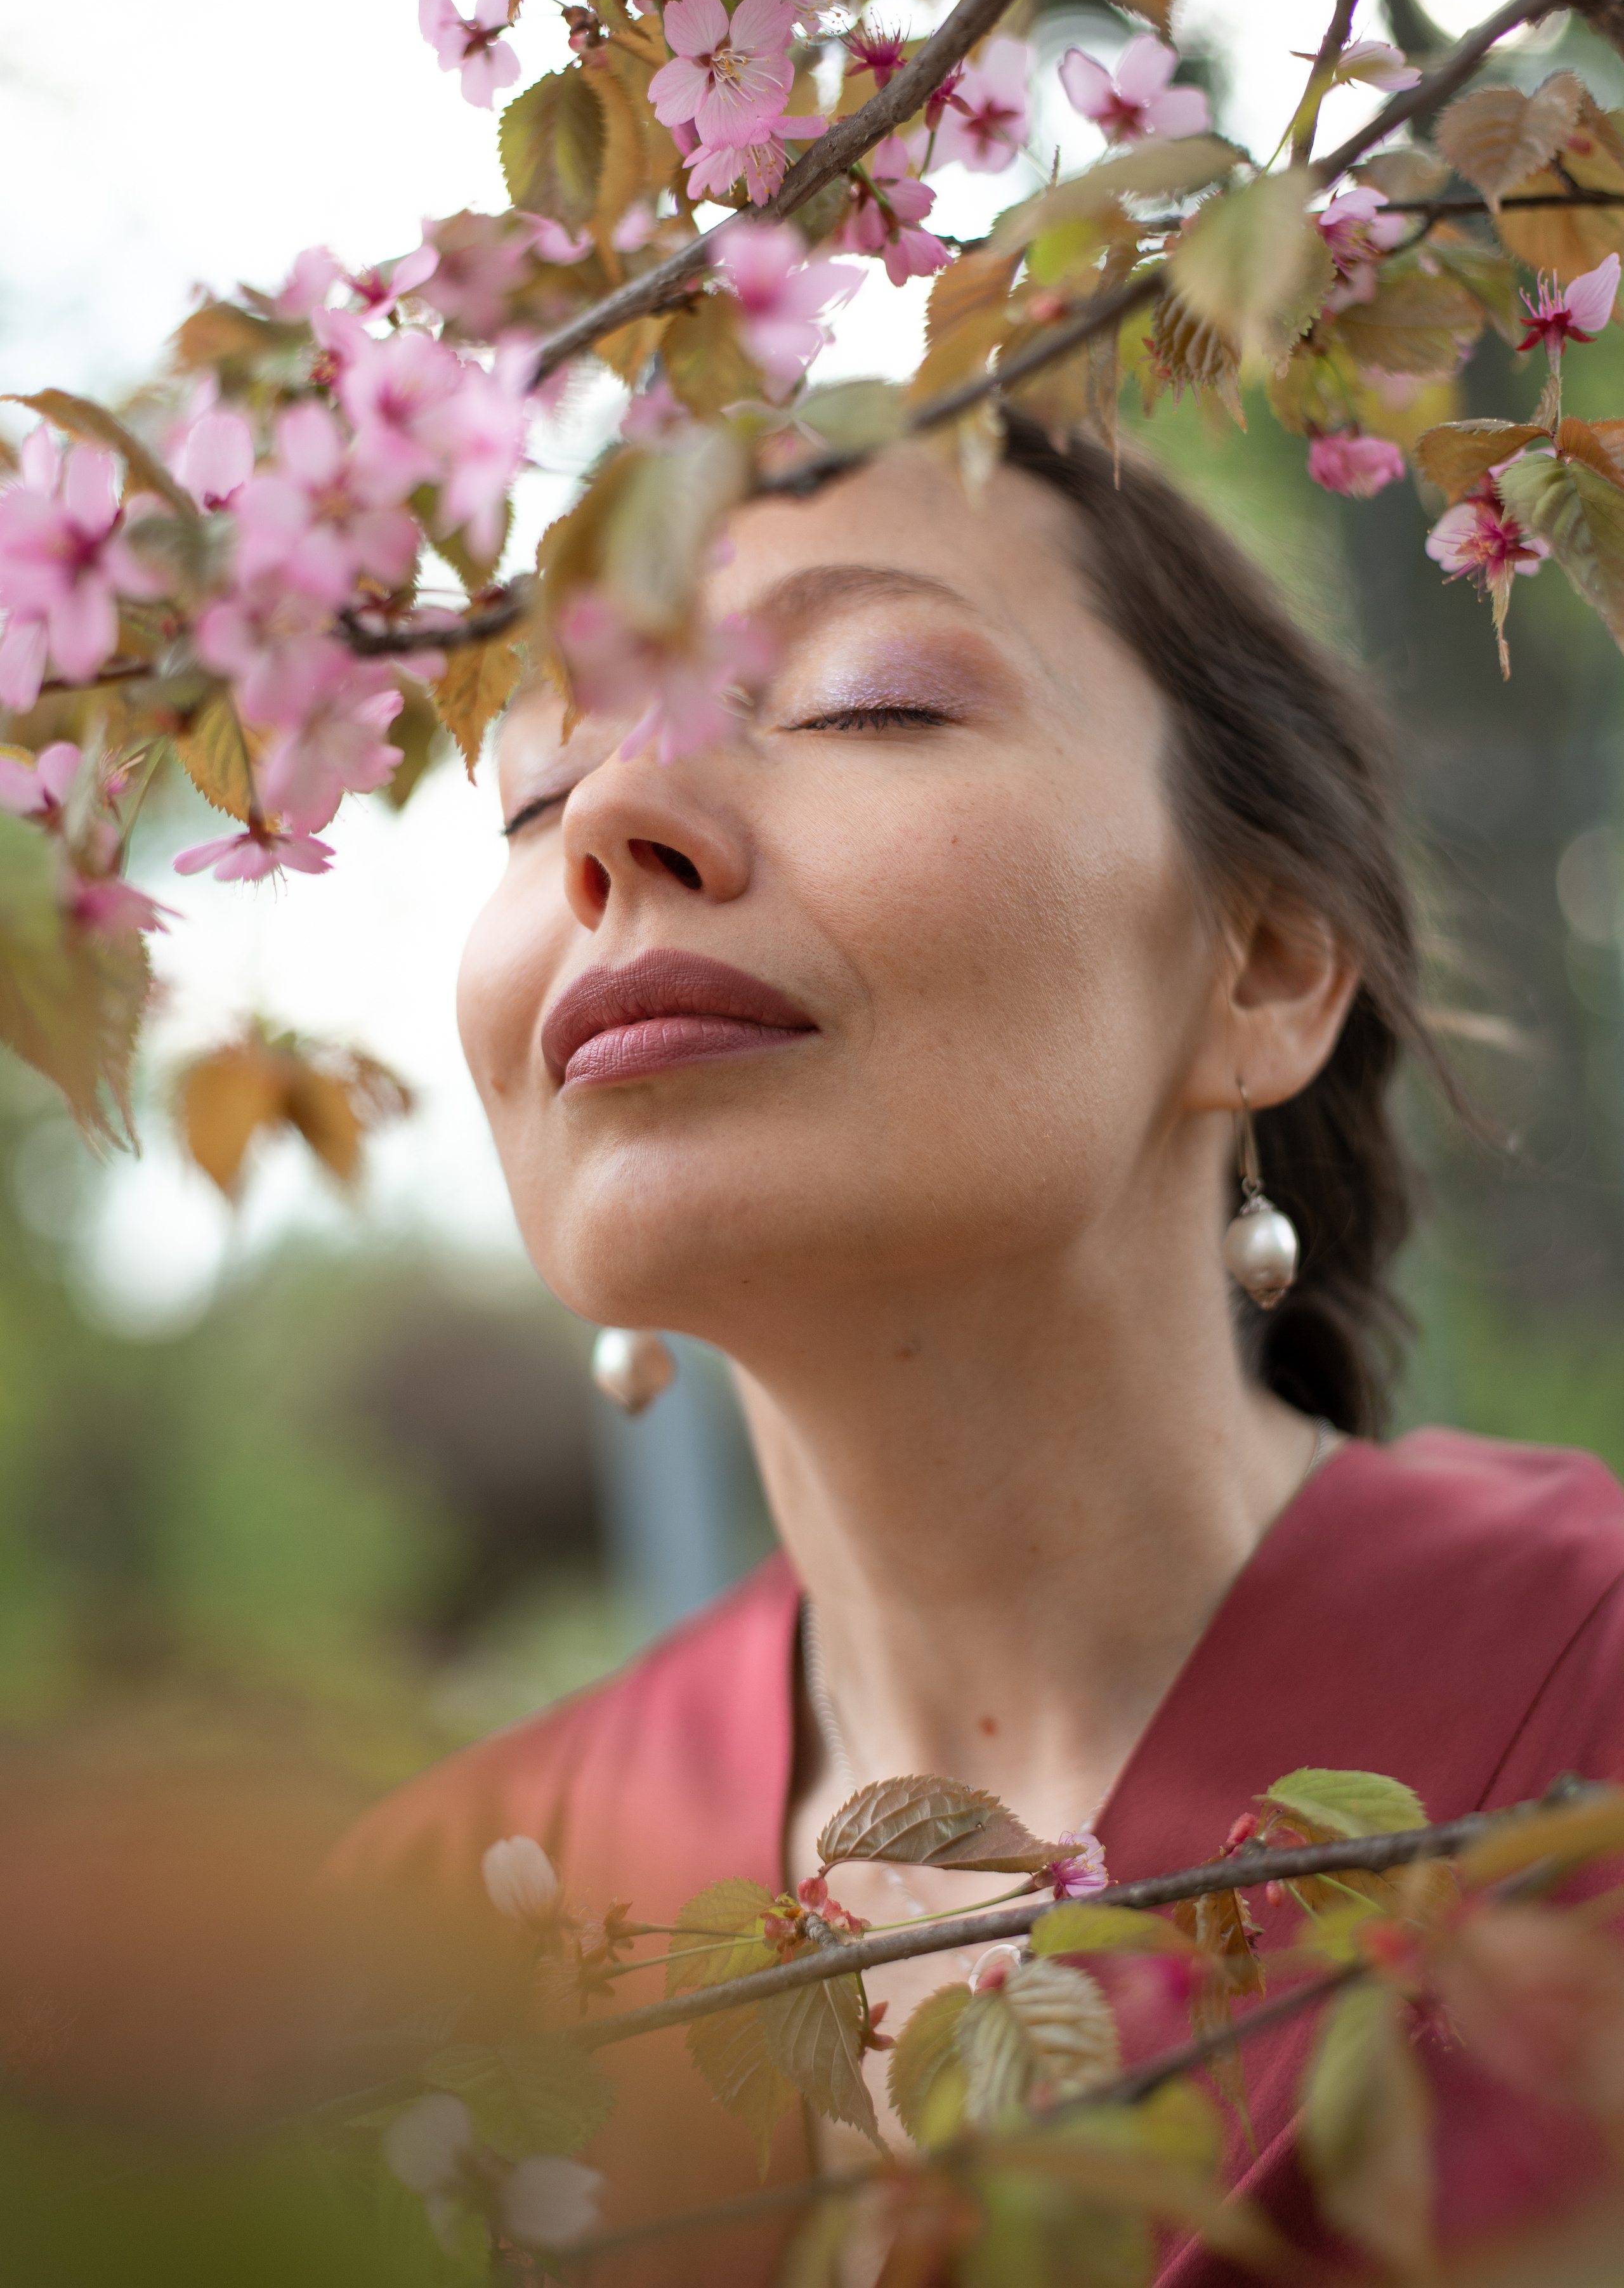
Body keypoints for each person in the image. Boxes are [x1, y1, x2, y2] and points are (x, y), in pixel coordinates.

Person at [333, 418, 1624, 2282]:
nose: (613, 817)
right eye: (537, 793)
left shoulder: (1582, 1728)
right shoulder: (413, 1955)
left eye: (867, 701)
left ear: (1265, 965)